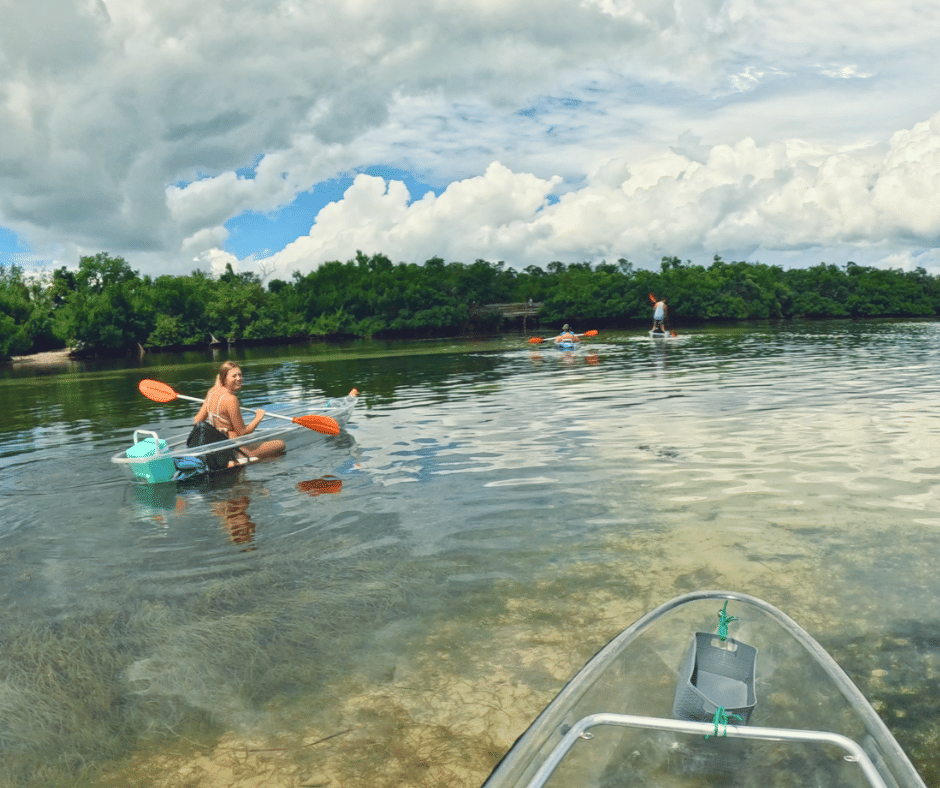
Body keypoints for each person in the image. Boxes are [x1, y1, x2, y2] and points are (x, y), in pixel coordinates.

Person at [192, 361, 285, 465]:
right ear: (224, 379)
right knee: (280, 444)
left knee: (254, 441)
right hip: (233, 449)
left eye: (240, 375)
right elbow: (242, 433)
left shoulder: (211, 393)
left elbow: (197, 420)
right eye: (234, 376)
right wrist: (258, 418)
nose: (239, 378)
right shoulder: (231, 399)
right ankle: (239, 460)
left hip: (217, 445)